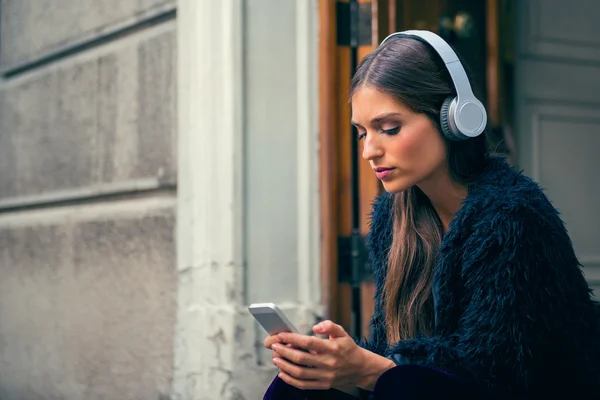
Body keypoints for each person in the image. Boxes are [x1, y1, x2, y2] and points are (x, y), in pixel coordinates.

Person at [262, 30, 600, 399]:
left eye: (389, 128)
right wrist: (341, 365)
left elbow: (495, 381)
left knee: (400, 383)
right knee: (295, 388)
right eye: (362, 134)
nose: (370, 152)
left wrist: (371, 369)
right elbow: (398, 353)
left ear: (455, 118)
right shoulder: (395, 218)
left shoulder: (513, 217)